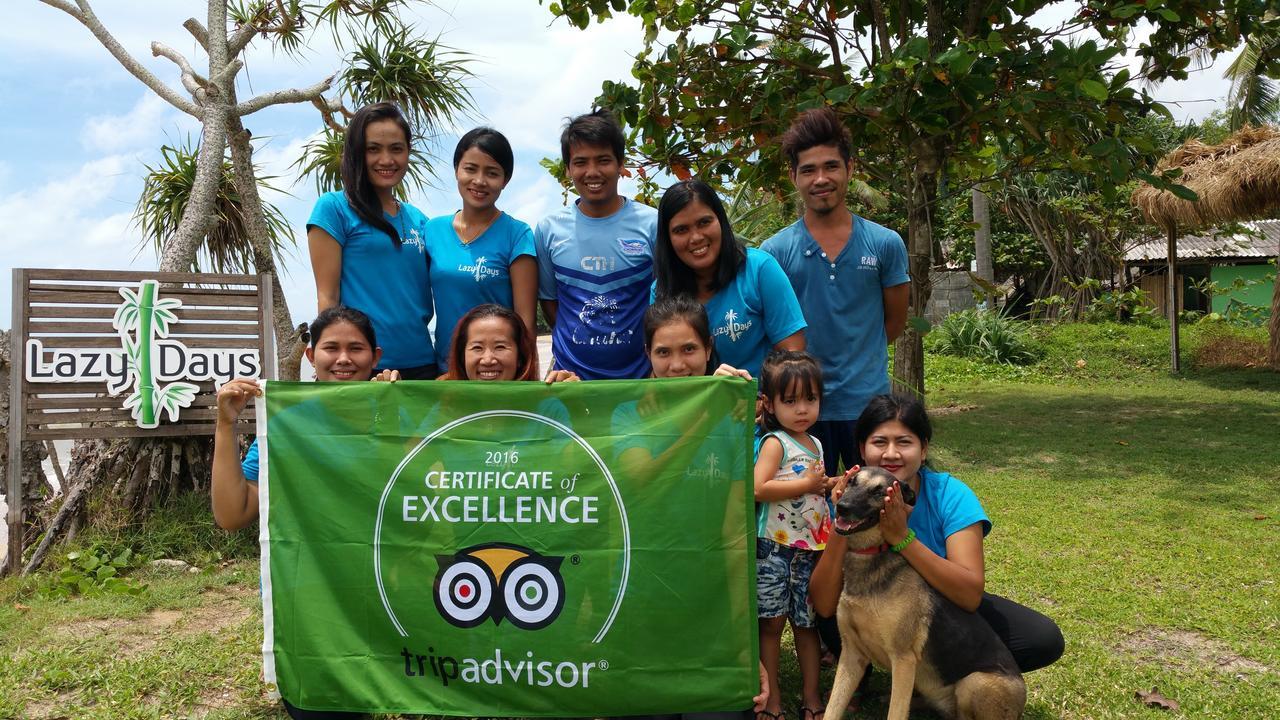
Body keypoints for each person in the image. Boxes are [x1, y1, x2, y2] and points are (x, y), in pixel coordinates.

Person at [212, 305, 392, 720]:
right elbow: (232, 514)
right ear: (311, 356)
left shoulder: (394, 414)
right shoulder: (284, 424)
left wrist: (395, 403)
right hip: (308, 602)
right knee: (319, 708)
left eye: (356, 349)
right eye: (331, 348)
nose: (344, 359)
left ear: (375, 358)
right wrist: (225, 426)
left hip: (380, 588)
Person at [809, 394, 1064, 681]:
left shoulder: (950, 495)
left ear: (924, 448)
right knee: (833, 612)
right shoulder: (847, 496)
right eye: (879, 442)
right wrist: (843, 523)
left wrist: (902, 537)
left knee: (1041, 638)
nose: (891, 453)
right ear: (862, 448)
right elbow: (824, 604)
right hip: (871, 605)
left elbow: (968, 596)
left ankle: (932, 678)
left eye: (904, 442)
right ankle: (862, 676)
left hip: (941, 613)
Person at [610, 296, 768, 720]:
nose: (677, 365)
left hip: (709, 600)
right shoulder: (628, 414)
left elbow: (734, 532)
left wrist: (743, 644)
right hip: (640, 598)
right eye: (663, 352)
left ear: (709, 350)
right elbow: (642, 478)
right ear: (647, 355)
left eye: (688, 350)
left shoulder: (733, 418)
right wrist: (701, 414)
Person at [760, 108, 909, 474]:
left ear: (850, 169)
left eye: (831, 166)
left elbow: (893, 323)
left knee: (873, 510)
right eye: (808, 170)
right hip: (802, 411)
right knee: (803, 517)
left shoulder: (885, 244)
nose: (821, 179)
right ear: (794, 176)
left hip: (869, 407)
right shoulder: (774, 253)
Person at [307, 102, 437, 380]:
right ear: (356, 152)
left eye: (396, 149)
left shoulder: (419, 219)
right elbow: (327, 296)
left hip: (423, 363)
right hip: (362, 367)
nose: (386, 159)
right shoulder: (333, 208)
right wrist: (329, 368)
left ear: (408, 152)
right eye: (373, 149)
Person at [535, 109, 658, 380]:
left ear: (620, 164)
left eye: (603, 160)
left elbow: (666, 299)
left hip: (640, 378)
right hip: (568, 377)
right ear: (568, 168)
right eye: (580, 162)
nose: (592, 172)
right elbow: (550, 301)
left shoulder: (652, 224)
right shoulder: (548, 230)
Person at [753, 350, 838, 720]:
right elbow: (758, 488)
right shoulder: (775, 443)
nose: (802, 409)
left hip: (810, 548)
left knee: (807, 625)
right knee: (770, 624)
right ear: (770, 404)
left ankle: (811, 698)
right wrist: (806, 482)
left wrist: (830, 485)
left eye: (810, 399)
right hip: (774, 546)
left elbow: (812, 488)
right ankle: (771, 701)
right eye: (790, 401)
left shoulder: (816, 443)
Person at [653, 180, 806, 378]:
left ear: (721, 221)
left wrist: (759, 401)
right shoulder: (662, 290)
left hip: (759, 403)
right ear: (667, 238)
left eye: (704, 222)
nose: (696, 237)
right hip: (697, 406)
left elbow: (793, 357)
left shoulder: (759, 269)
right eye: (681, 230)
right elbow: (661, 370)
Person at [425, 127, 538, 373]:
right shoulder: (432, 231)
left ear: (505, 180)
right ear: (456, 170)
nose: (479, 181)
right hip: (445, 371)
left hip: (498, 372)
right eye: (470, 169)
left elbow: (526, 321)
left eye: (492, 173)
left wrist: (530, 381)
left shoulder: (517, 234)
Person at [439, 303, 577, 383]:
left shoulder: (546, 406)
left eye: (500, 347)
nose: (487, 360)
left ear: (520, 357)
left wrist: (576, 403)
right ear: (462, 357)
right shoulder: (443, 408)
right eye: (477, 348)